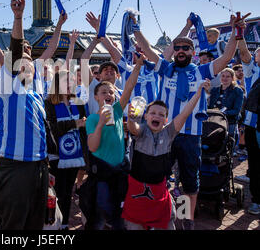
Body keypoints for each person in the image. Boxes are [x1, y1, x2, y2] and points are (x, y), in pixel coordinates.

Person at [133, 12, 244, 229]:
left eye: (186, 48)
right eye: (178, 48)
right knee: (159, 178)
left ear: (193, 52)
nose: (181, 51)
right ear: (174, 52)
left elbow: (226, 58)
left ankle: (187, 220)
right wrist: (135, 28)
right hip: (165, 133)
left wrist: (235, 33)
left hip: (191, 135)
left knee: (189, 183)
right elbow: (147, 49)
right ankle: (162, 215)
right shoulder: (165, 69)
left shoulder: (202, 70)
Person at [0, 0, 52, 230]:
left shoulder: (36, 91)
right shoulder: (7, 85)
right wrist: (18, 17)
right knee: (13, 226)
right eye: (21, 62)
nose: (27, 64)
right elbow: (16, 53)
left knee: (35, 224)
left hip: (39, 165)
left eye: (31, 62)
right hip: (14, 167)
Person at [123, 80, 210, 230]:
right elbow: (133, 128)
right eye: (153, 113)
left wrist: (198, 93)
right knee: (134, 226)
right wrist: (130, 119)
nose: (157, 116)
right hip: (136, 190)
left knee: (168, 222)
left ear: (166, 120)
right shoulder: (141, 131)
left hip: (159, 191)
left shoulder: (169, 132)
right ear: (146, 116)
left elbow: (185, 113)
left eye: (161, 114)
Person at [85, 53, 145, 230]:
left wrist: (138, 66)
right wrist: (100, 125)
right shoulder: (92, 119)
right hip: (102, 173)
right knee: (101, 213)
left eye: (111, 91)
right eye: (103, 92)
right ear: (96, 97)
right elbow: (92, 146)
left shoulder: (118, 110)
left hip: (120, 172)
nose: (108, 94)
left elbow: (128, 87)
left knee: (119, 212)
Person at [45, 70, 88, 230]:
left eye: (72, 81)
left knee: (68, 191)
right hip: (57, 155)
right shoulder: (49, 103)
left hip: (75, 155)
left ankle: (63, 224)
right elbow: (52, 129)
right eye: (66, 81)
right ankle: (52, 222)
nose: (71, 84)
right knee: (58, 192)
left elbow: (84, 127)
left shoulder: (78, 102)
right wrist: (74, 124)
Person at [237, 39, 260, 215]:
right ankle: (257, 200)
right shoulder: (253, 71)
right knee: (256, 163)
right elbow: (244, 55)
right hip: (254, 125)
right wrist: (239, 35)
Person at [208, 68, 244, 143]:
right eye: (223, 76)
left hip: (230, 122)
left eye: (228, 76)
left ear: (232, 78)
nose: (225, 78)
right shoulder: (214, 90)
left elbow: (237, 110)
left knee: (228, 145)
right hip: (214, 122)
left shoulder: (238, 91)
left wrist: (222, 113)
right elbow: (210, 107)